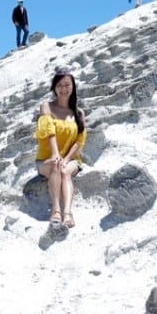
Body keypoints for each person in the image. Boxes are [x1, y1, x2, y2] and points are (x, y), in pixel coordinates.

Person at [35, 68, 87, 228]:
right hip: (46, 158)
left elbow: (80, 140)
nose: (63, 89)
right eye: (59, 85)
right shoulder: (46, 106)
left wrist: (66, 158)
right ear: (54, 87)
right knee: (56, 166)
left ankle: (68, 213)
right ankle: (56, 210)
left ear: (73, 87)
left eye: (67, 85)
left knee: (64, 170)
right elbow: (48, 130)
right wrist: (56, 154)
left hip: (71, 159)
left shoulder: (78, 113)